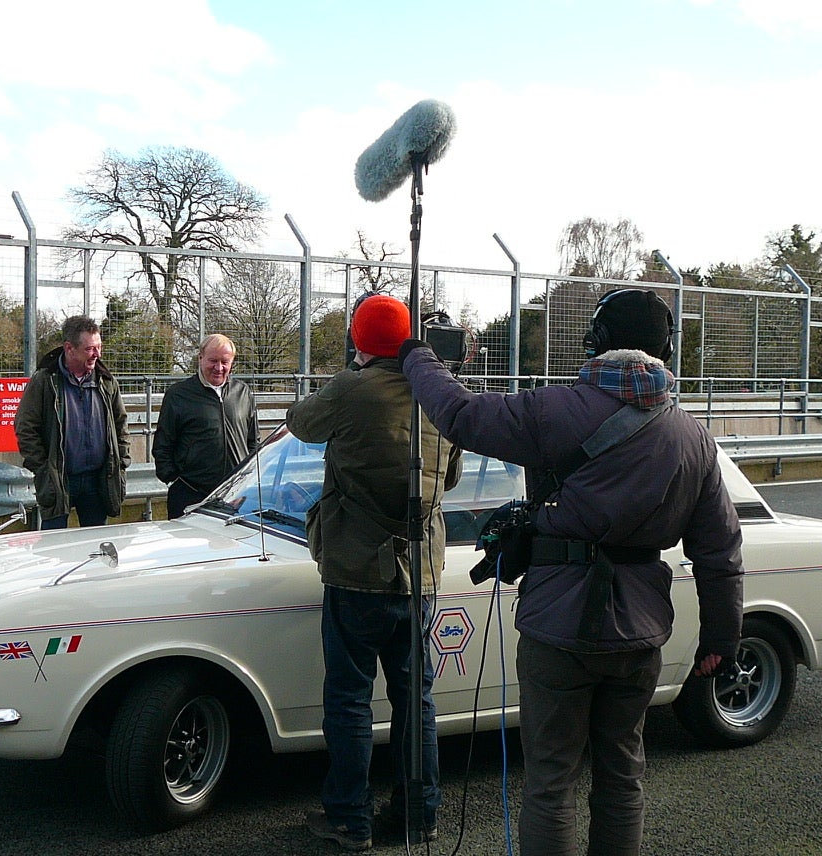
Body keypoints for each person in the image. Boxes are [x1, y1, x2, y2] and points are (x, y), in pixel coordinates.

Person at [398, 289, 744, 856]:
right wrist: (721, 639)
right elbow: (720, 549)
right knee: (623, 774)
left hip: (558, 626)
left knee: (551, 783)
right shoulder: (693, 437)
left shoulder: (552, 408)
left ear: (597, 344)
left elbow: (458, 413)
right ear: (665, 351)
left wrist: (418, 355)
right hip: (640, 630)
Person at [287, 294, 461, 852]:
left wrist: (350, 374)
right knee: (418, 698)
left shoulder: (350, 388)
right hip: (420, 572)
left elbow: (300, 422)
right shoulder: (438, 393)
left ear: (360, 342)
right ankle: (420, 815)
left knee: (349, 698)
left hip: (356, 569)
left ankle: (347, 818)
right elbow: (449, 478)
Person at [15, 315, 130, 529]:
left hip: (98, 482)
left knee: (97, 547)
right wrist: (43, 468)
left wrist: (121, 461)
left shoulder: (105, 381)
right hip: (59, 480)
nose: (97, 354)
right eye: (89, 349)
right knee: (54, 549)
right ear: (69, 348)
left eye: (98, 347)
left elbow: (121, 425)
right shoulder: (45, 381)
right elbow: (25, 428)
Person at [152, 333, 260, 518]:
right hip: (190, 495)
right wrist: (174, 481)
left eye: (225, 362)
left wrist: (247, 478)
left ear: (232, 362)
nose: (219, 368)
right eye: (213, 361)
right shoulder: (178, 395)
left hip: (235, 496)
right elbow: (163, 445)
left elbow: (253, 441)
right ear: (200, 358)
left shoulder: (242, 393)